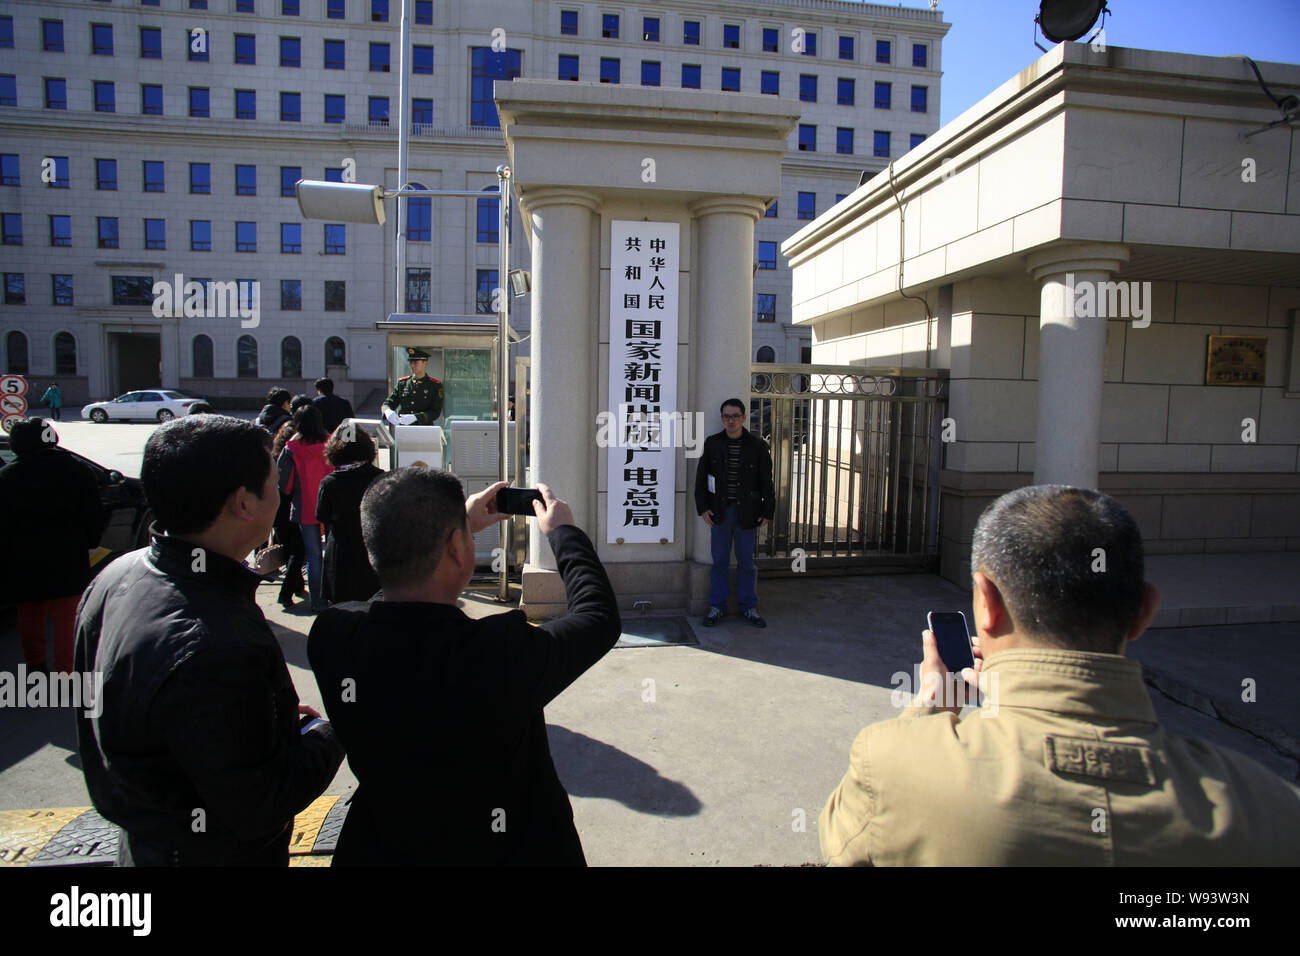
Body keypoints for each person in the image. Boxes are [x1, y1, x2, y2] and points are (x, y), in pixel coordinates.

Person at [819, 485, 1300, 866]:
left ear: (985, 603)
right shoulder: (1266, 806)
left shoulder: (893, 763)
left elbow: (839, 846)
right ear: (1144, 611)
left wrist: (929, 711)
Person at [307, 473, 621, 865]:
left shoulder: (332, 637)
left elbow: (386, 604)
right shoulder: (498, 651)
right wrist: (563, 533)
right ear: (458, 548)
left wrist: (456, 528)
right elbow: (598, 617)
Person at [73, 415, 345, 866]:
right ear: (243, 502)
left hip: (144, 845)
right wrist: (326, 734)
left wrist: (265, 723)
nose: (281, 492)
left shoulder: (119, 575)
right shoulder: (216, 646)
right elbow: (259, 803)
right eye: (274, 479)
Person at [0, 418, 105, 673]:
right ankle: (65, 672)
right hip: (68, 555)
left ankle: (36, 666)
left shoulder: (7, 476)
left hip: (23, 558)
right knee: (66, 617)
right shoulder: (79, 471)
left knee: (29, 614)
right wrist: (91, 541)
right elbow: (94, 513)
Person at [694, 398, 775, 629]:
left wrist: (767, 511)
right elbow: (701, 480)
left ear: (744, 418)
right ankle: (716, 607)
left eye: (735, 416)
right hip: (719, 513)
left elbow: (766, 482)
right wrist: (703, 509)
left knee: (746, 563)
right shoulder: (712, 444)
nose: (731, 420)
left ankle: (748, 607)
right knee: (719, 562)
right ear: (722, 419)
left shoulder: (757, 446)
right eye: (727, 416)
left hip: (747, 514)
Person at [315, 421, 382, 604]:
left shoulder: (330, 482)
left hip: (342, 553)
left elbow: (322, 516)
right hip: (372, 552)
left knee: (342, 610)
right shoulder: (380, 478)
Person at [277, 405, 334, 612]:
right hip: (331, 505)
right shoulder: (331, 442)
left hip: (305, 506)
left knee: (313, 556)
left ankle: (317, 602)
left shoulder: (291, 449)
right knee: (331, 552)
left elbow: (284, 484)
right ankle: (333, 596)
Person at [271, 418, 306, 607]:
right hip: (293, 507)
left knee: (290, 550)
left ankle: (298, 585)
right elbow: (289, 485)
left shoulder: (276, 455)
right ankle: (286, 593)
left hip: (278, 508)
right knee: (298, 551)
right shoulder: (292, 454)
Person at [382, 347, 444, 426]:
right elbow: (388, 403)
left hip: (424, 429)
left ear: (425, 363)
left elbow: (435, 412)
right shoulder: (403, 383)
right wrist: (388, 412)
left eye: (415, 362)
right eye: (410, 362)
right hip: (404, 428)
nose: (412, 365)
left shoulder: (434, 385)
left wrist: (416, 417)